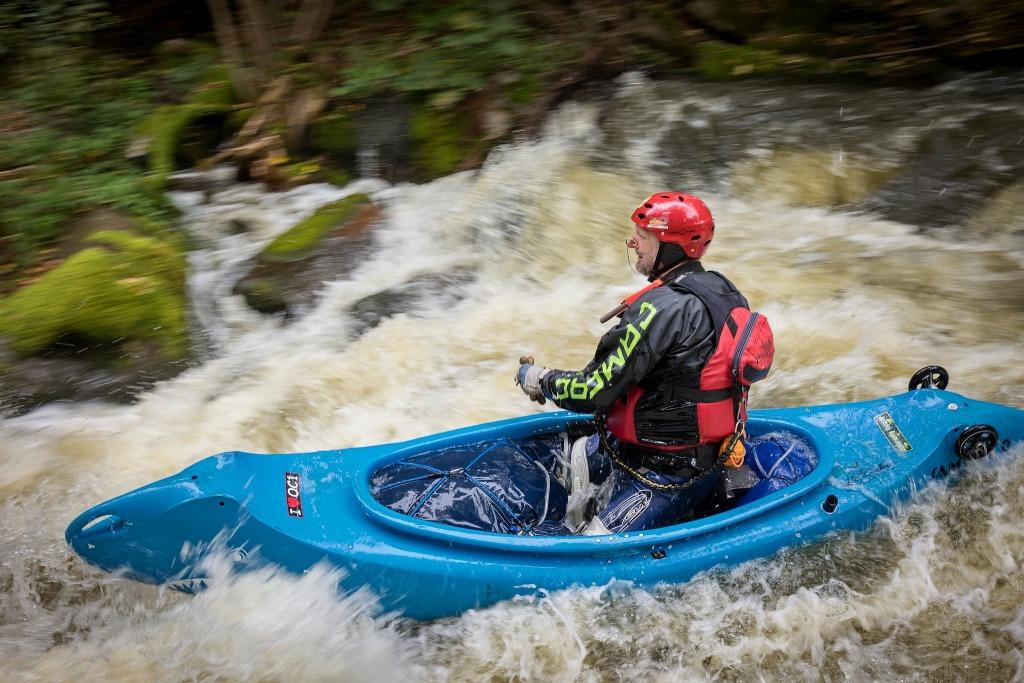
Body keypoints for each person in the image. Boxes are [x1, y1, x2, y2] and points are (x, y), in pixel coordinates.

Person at [516, 191, 773, 534]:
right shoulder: (725, 291)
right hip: (710, 458)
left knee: (593, 551)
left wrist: (540, 378)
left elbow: (593, 391)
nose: (632, 241)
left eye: (643, 236)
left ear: (672, 246)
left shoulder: (657, 309)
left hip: (667, 476)